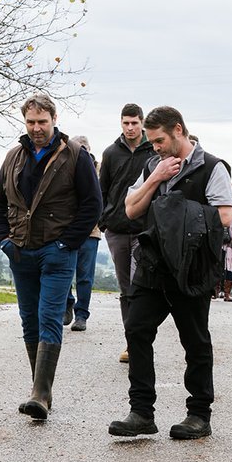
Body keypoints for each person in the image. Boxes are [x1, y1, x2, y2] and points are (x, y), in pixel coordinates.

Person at [107, 107, 232, 440]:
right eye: (152, 142)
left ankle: (198, 415)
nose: (156, 148)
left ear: (178, 130)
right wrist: (156, 178)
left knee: (195, 341)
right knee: (136, 330)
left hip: (192, 270)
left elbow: (223, 217)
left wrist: (170, 209)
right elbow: (131, 208)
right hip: (153, 266)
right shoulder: (153, 165)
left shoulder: (212, 167)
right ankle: (141, 413)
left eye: (160, 140)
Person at [0, 93, 103, 420]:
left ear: (54, 119)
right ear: (25, 122)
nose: (37, 128)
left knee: (49, 317)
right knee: (29, 320)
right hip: (21, 253)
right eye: (31, 122)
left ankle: (40, 393)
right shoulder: (13, 157)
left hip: (57, 253)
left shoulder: (75, 156)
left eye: (42, 122)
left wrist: (67, 244)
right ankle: (41, 390)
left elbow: (93, 204)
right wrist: (4, 242)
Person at [98, 103, 155, 363]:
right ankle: (131, 340)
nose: (130, 128)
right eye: (126, 123)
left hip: (145, 229)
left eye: (134, 123)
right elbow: (102, 189)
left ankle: (140, 340)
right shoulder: (111, 153)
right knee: (126, 288)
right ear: (121, 124)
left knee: (139, 286)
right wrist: (104, 220)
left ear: (142, 123)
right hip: (117, 228)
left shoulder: (153, 151)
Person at [63, 136, 103, 332]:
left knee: (85, 277)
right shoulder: (67, 167)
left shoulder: (99, 170)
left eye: (85, 148)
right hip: (67, 231)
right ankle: (68, 303)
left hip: (91, 232)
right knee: (64, 272)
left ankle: (81, 315)